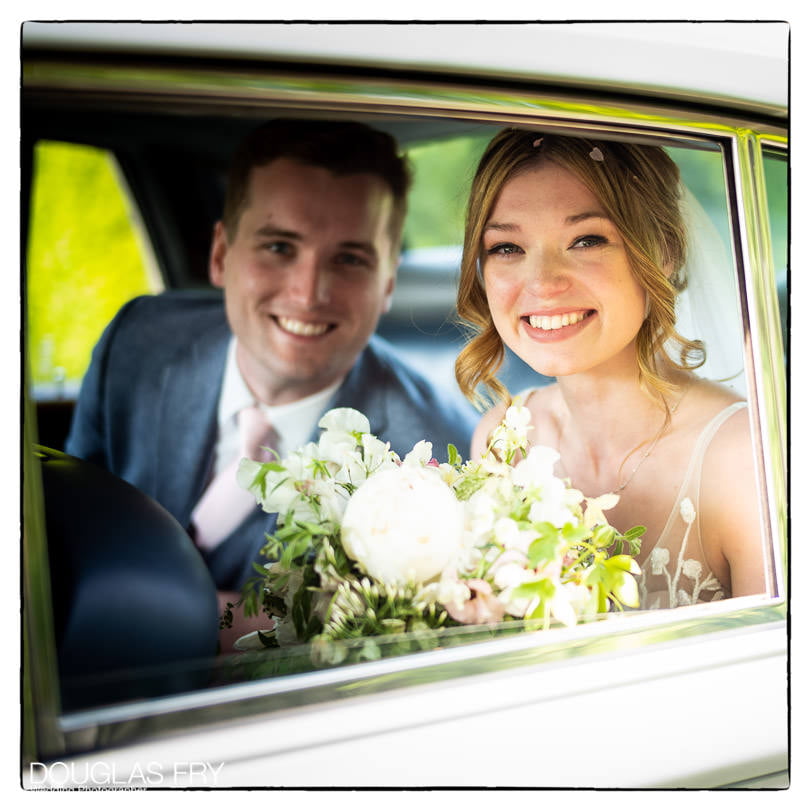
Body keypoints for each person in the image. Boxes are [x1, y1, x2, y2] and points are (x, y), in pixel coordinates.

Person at [66, 119, 478, 645]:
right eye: (280, 247)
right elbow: (69, 527)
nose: (308, 293)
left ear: (388, 282)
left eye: (349, 258)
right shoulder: (137, 343)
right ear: (220, 255)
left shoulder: (438, 463)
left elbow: (384, 643)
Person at [455, 129, 767, 610]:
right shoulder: (501, 438)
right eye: (506, 248)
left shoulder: (742, 458)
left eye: (585, 240)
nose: (541, 283)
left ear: (663, 251)